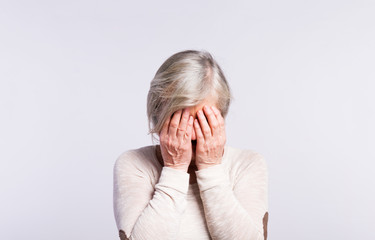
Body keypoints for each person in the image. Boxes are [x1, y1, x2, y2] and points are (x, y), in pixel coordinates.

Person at [113, 50, 269, 240]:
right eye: (179, 121)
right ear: (157, 116)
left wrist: (211, 168)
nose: (191, 134)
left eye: (203, 121)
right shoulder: (134, 164)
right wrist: (175, 168)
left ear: (221, 116)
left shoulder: (247, 164)